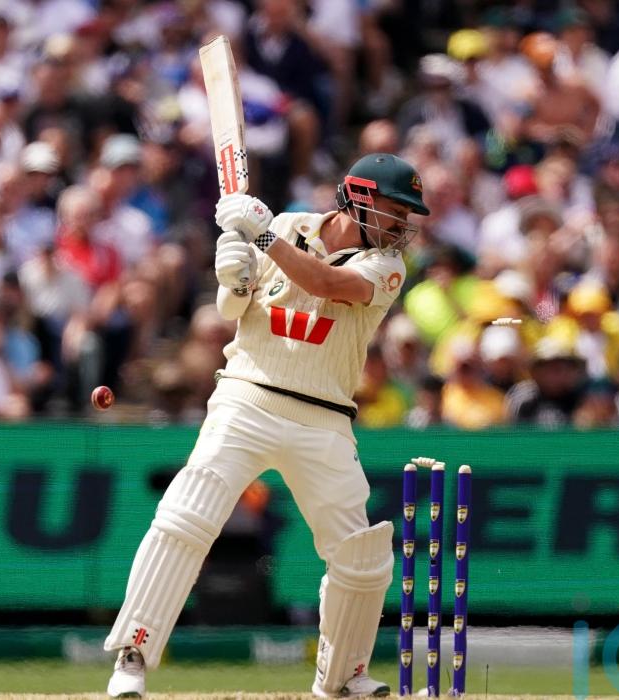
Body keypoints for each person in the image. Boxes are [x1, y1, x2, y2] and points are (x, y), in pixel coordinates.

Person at [104, 153, 429, 698]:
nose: (401, 226)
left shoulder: (387, 266)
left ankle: (342, 677)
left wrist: (260, 239)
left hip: (323, 415)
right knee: (186, 515)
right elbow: (233, 309)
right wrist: (232, 279)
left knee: (362, 553)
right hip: (248, 396)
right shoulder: (286, 226)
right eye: (395, 211)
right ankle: (133, 655)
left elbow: (324, 282)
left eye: (407, 216)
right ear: (357, 197)